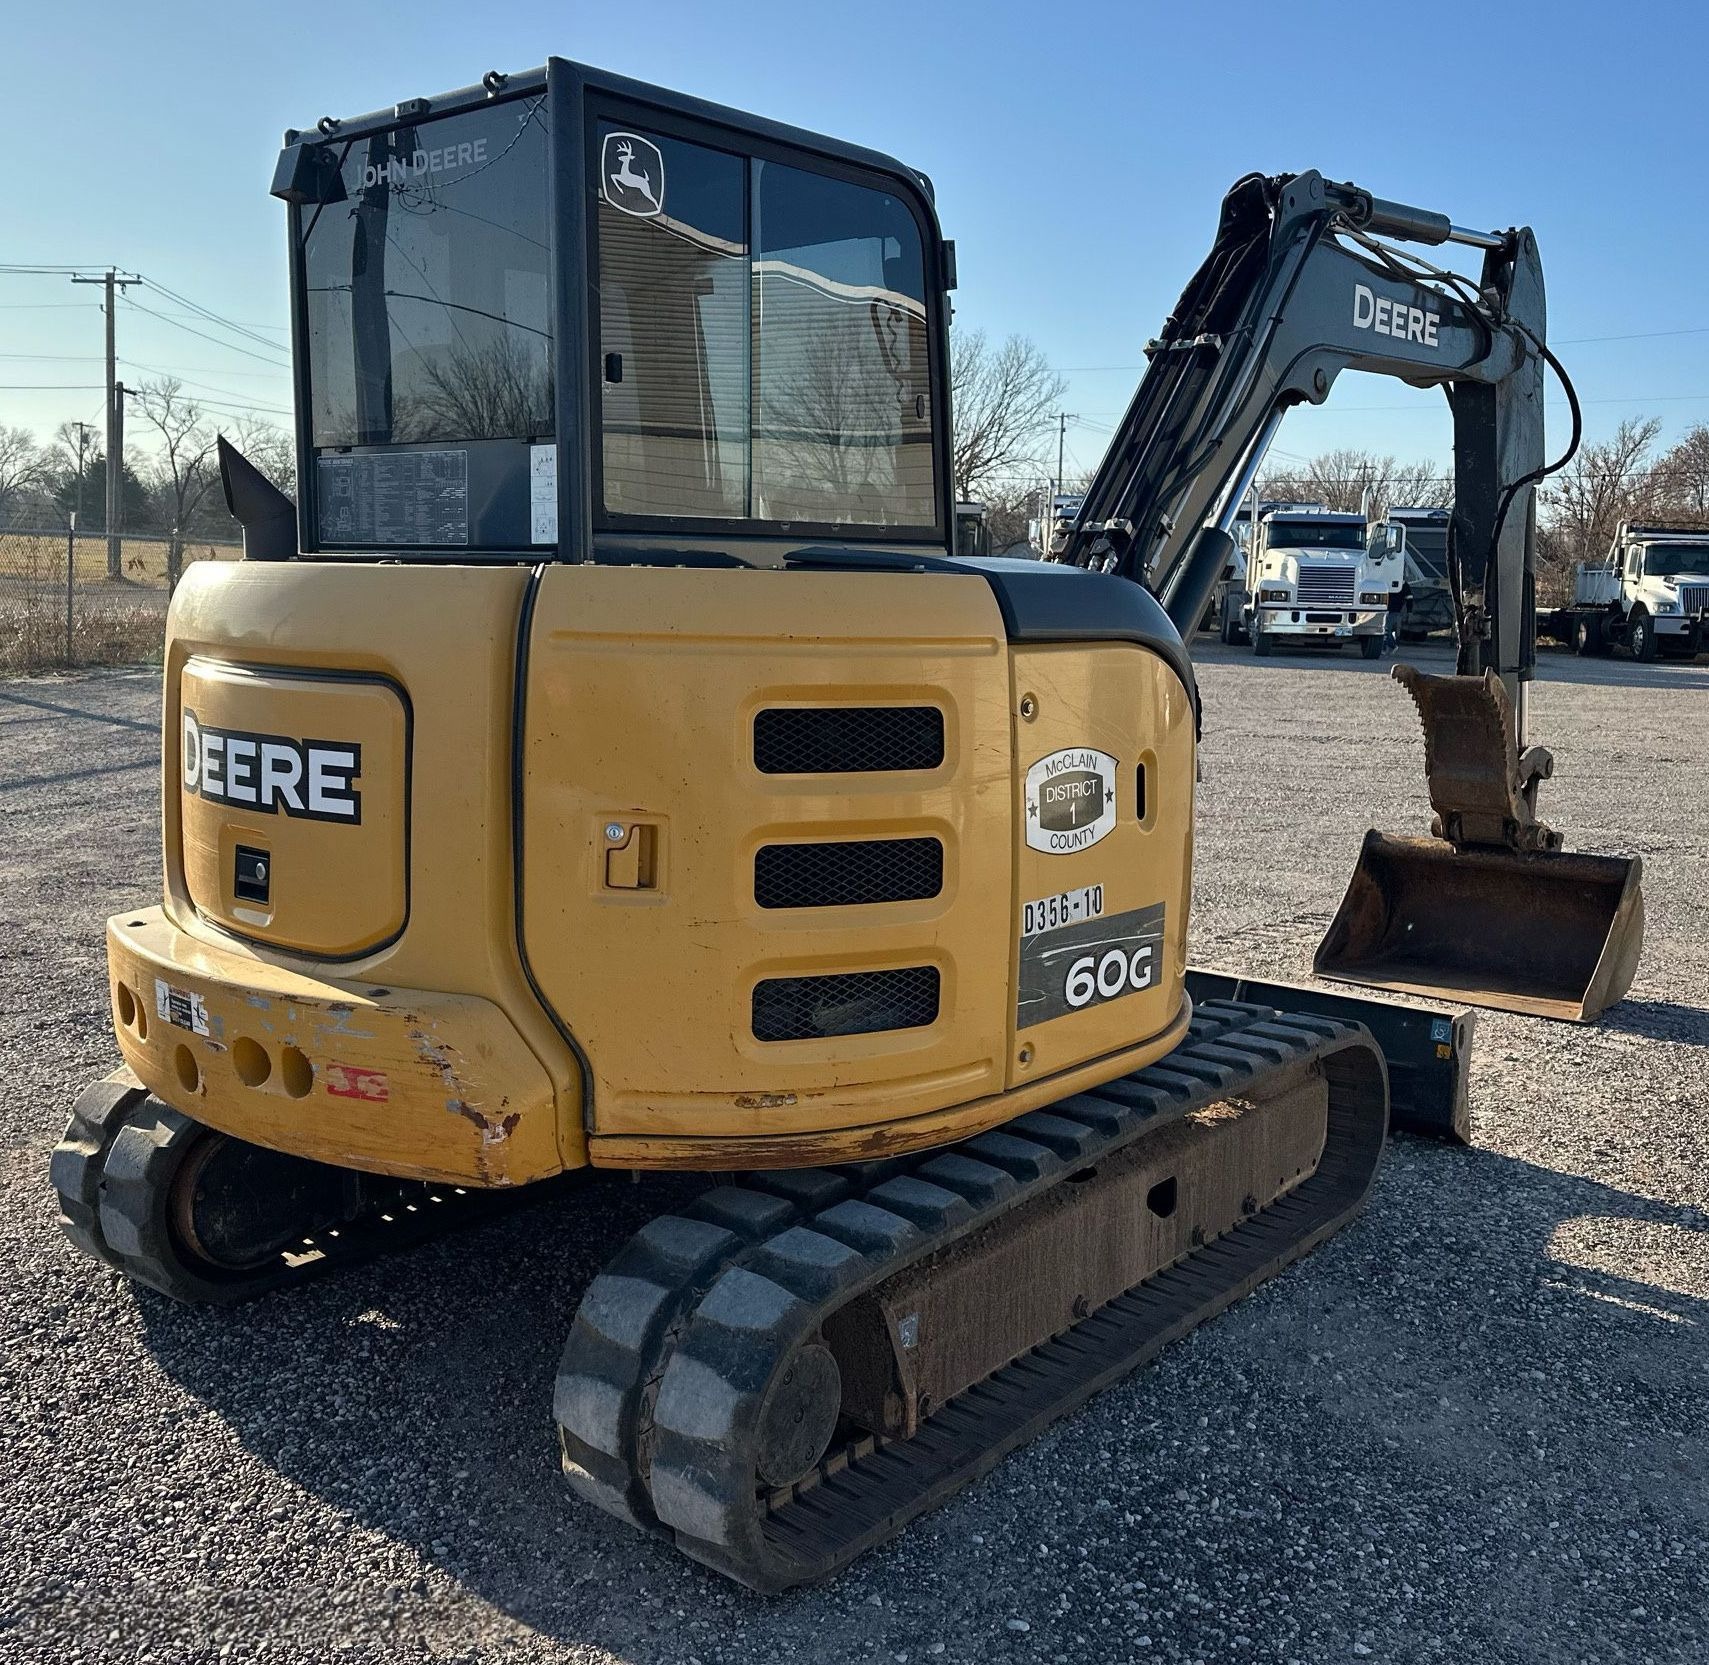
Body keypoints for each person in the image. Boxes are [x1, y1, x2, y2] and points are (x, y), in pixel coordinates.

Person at [1383, 580, 1412, 654]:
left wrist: (1409, 611)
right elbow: (1409, 598)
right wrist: (1409, 611)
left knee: (1386, 629)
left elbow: (1409, 598)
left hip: (1393, 610)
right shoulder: (1403, 584)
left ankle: (1391, 646)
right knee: (1386, 629)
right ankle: (1388, 647)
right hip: (1393, 609)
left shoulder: (1403, 585)